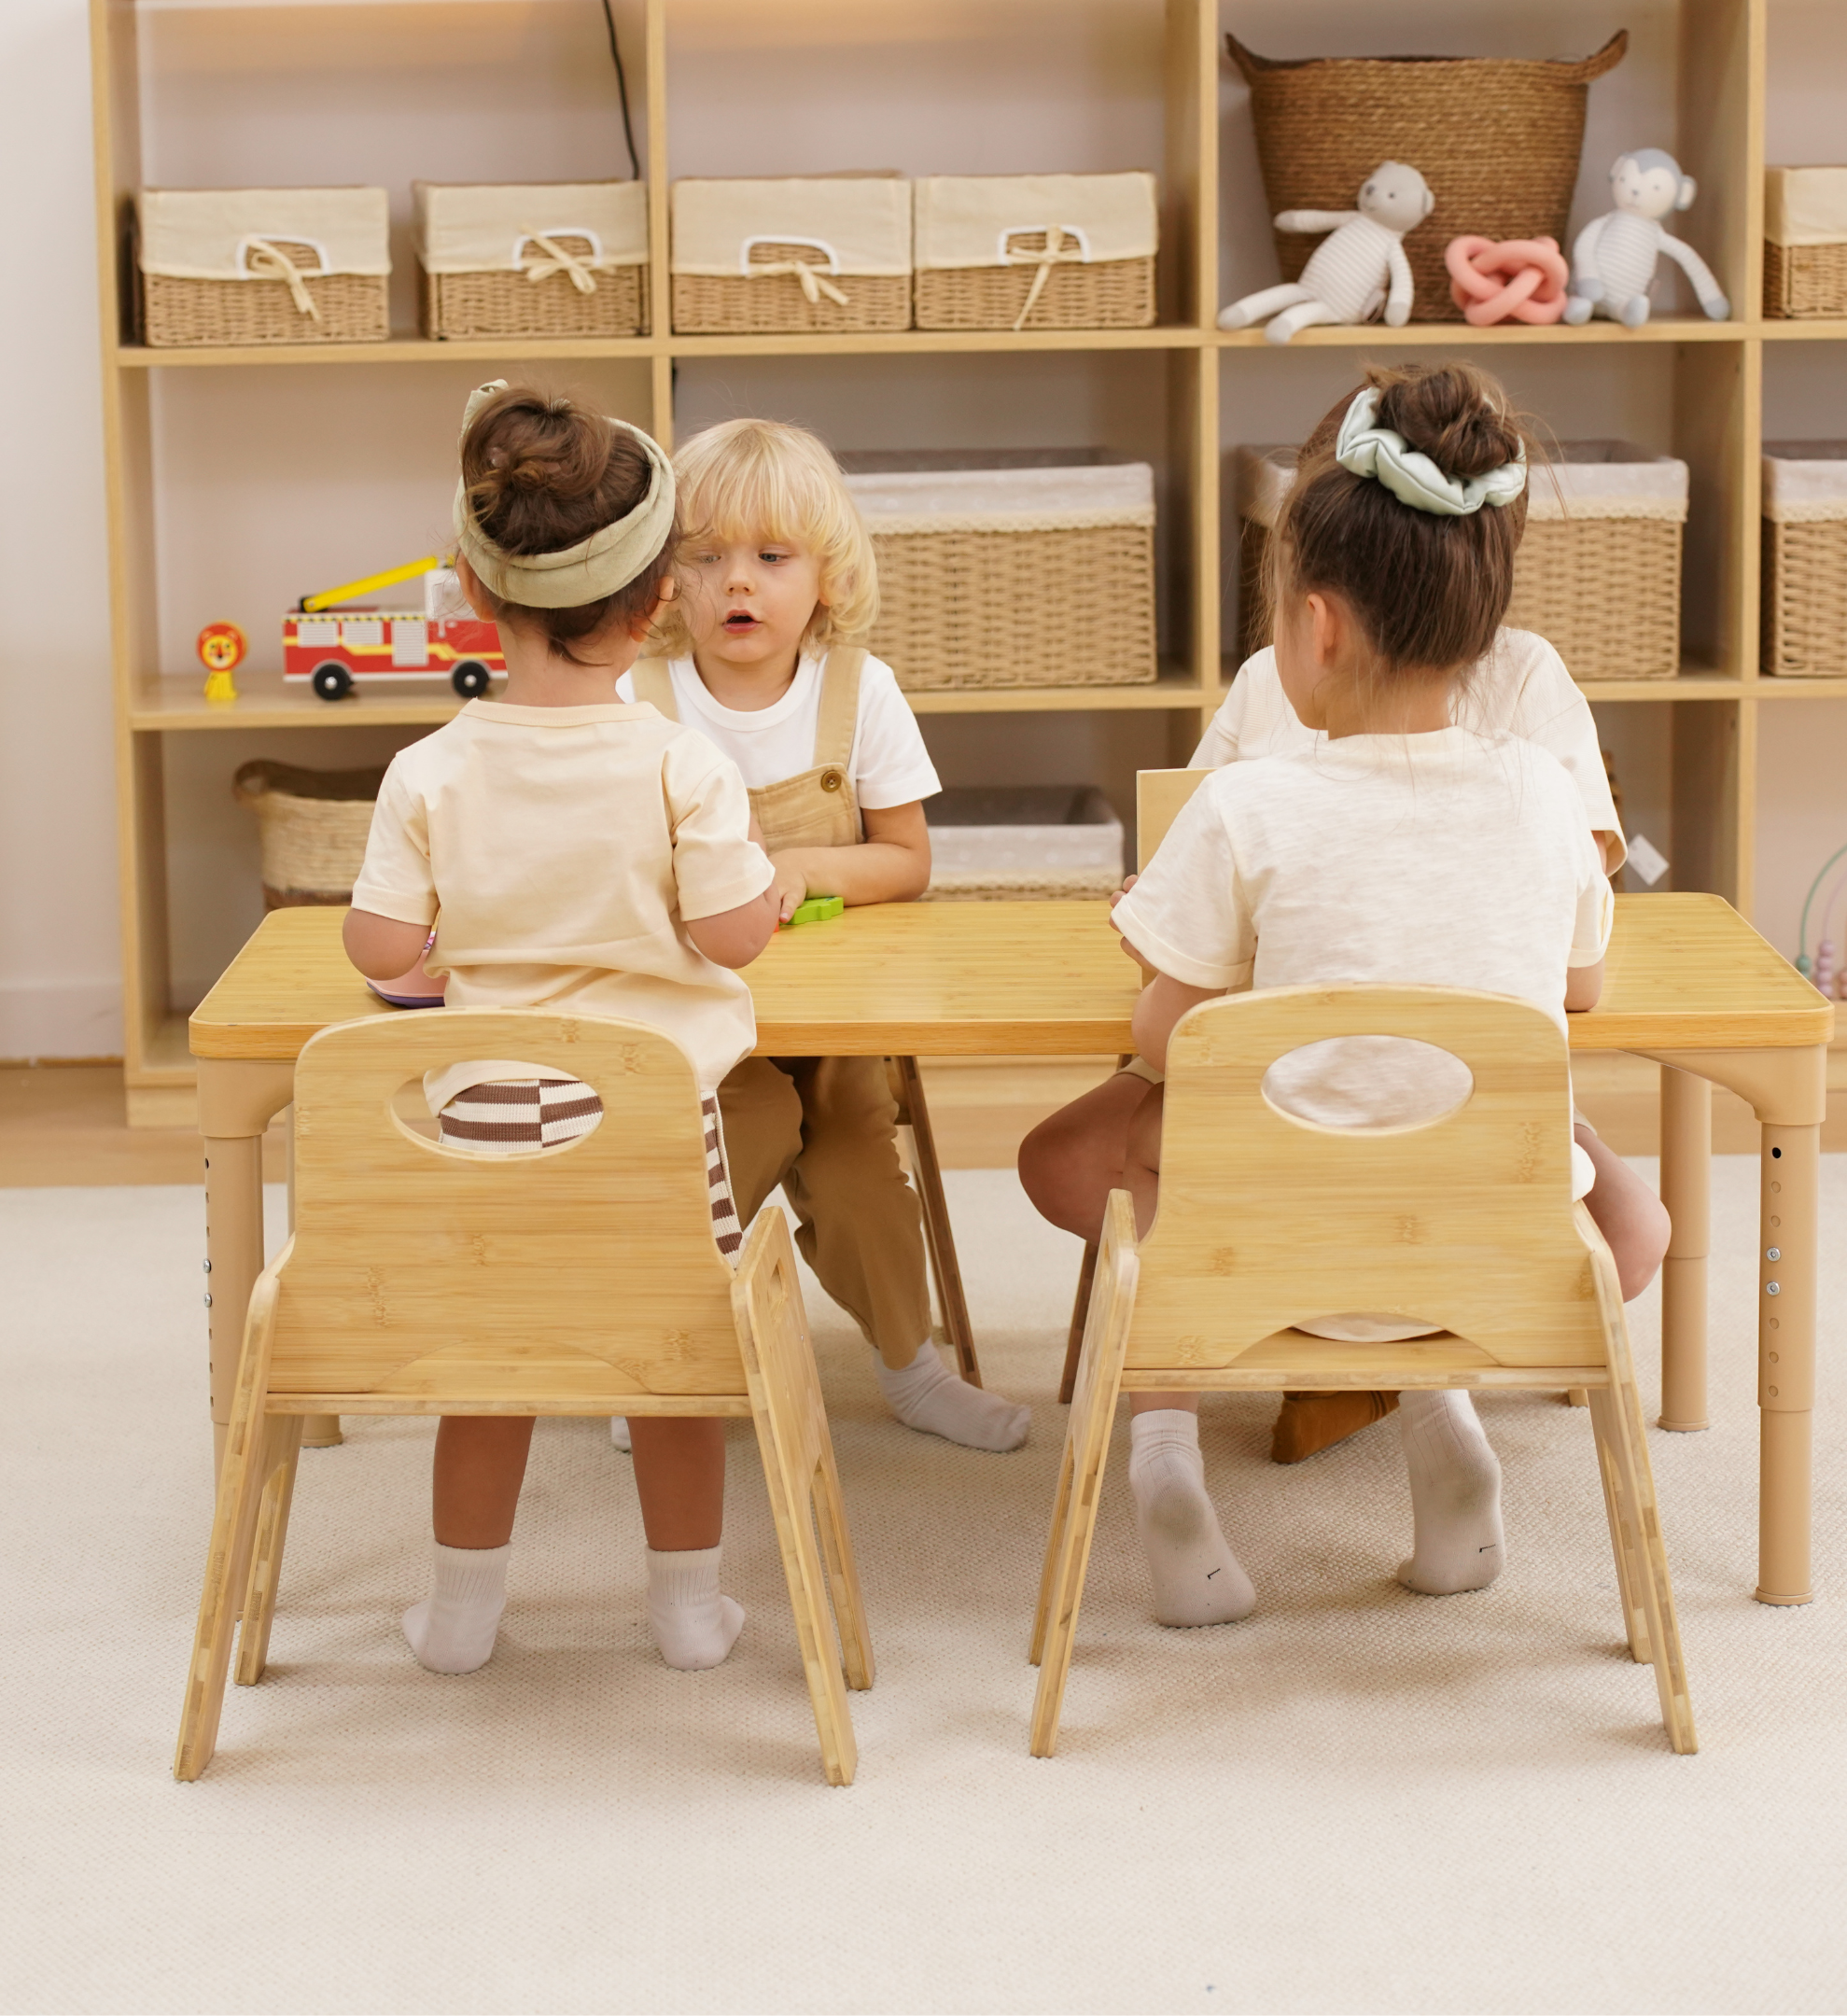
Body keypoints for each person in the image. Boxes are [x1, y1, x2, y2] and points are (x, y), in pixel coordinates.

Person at [1024, 359, 1662, 1628]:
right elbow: (1580, 982)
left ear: (1316, 626)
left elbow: (1173, 1031)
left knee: (1135, 1138)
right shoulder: (1544, 790)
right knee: (1548, 1153)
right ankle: (1444, 1409)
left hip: (1270, 1252)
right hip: (1493, 1255)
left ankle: (1161, 1453)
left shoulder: (1252, 807)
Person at [343, 382, 781, 1677]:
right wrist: (754, 882)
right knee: (675, 1369)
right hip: (653, 1128)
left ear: (480, 601)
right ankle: (689, 1611)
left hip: (491, 1119)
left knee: (490, 1370)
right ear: (656, 610)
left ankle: (463, 1619)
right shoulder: (679, 765)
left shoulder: (430, 770)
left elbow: (377, 948)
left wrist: (437, 951)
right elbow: (736, 935)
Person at [617, 417, 1031, 1454]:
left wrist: (801, 869)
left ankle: (910, 1365)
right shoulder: (642, 699)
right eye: (703, 559)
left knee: (855, 1165)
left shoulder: (860, 690)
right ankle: (667, 1355)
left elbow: (907, 859)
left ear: (827, 578)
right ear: (665, 580)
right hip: (706, 1024)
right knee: (732, 1143)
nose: (734, 586)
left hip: (840, 1020)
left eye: (769, 557)